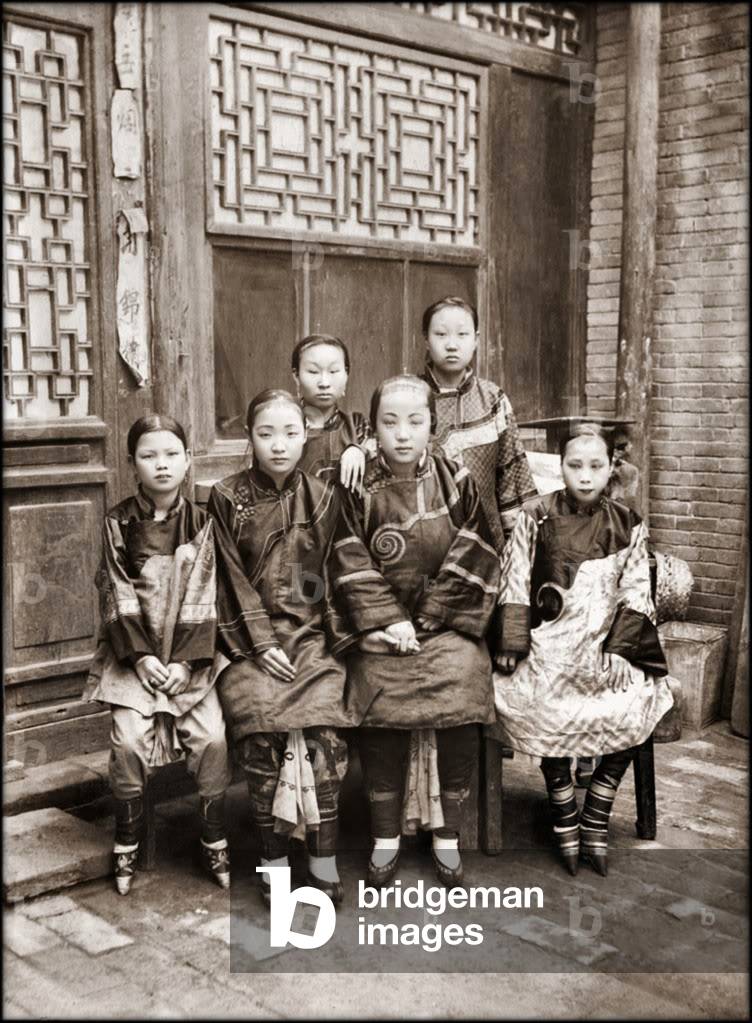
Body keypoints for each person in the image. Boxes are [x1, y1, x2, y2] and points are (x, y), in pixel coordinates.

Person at [329, 375, 500, 887]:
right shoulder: (355, 485)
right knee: (377, 689)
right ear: (372, 427)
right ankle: (386, 834)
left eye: (415, 421)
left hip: (445, 625)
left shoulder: (459, 479)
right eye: (389, 422)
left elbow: (480, 546)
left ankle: (446, 834)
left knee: (467, 681)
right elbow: (344, 555)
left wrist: (434, 612)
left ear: (433, 425)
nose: (402, 434)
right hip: (380, 630)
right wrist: (386, 622)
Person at [493, 422, 673, 876]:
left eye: (596, 466)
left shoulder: (628, 523)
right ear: (561, 467)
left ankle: (596, 809)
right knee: (532, 699)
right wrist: (513, 642)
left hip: (606, 641)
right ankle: (562, 810)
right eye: (576, 466)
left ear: (611, 468)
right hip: (550, 642)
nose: (586, 476)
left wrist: (621, 648)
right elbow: (514, 576)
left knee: (638, 696)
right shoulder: (534, 516)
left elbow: (636, 590)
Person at [208, 389, 364, 906]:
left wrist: (326, 631)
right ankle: (273, 858)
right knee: (262, 731)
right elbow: (227, 581)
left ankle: (322, 855)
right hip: (245, 643)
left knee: (325, 729)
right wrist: (259, 642)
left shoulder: (322, 497)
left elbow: (336, 572)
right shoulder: (227, 497)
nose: (279, 445)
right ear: (249, 437)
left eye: (291, 433)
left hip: (310, 637)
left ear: (305, 436)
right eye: (266, 433)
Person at [84, 415, 231, 896]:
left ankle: (213, 835)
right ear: (132, 465)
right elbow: (117, 594)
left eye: (172, 454)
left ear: (188, 462)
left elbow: (205, 591)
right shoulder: (117, 522)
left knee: (211, 738)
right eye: (149, 455)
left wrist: (184, 662)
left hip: (190, 659)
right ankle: (127, 835)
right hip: (136, 659)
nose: (161, 465)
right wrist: (144, 659)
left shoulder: (204, 521)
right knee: (127, 742)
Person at [420, 296, 538, 552]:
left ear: (476, 340)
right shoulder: (409, 396)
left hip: (486, 540)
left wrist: (515, 549)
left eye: (462, 334)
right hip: (425, 540)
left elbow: (512, 476)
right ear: (426, 340)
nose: (451, 345)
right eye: (441, 334)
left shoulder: (493, 399)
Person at [292, 333, 371, 493]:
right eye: (313, 372)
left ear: (346, 374)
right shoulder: (284, 424)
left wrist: (358, 449)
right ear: (296, 375)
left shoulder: (357, 425)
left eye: (334, 371)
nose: (324, 383)